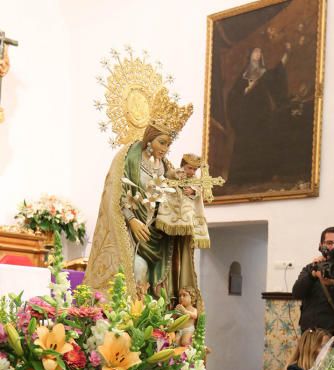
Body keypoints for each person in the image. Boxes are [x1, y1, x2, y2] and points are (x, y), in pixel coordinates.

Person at [84, 121, 200, 303]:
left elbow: (167, 194)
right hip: (131, 229)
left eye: (169, 144)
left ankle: (146, 320)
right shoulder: (129, 157)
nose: (165, 148)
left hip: (155, 233)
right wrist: (131, 220)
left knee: (153, 282)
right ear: (149, 138)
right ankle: (128, 317)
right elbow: (118, 193)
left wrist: (180, 186)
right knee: (138, 267)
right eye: (162, 142)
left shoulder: (164, 165)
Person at [226, 45, 291, 187]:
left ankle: (263, 175)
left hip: (261, 113)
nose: (257, 53)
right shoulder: (244, 75)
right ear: (250, 54)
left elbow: (277, 74)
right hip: (247, 116)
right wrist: (246, 90)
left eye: (260, 51)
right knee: (245, 143)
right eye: (255, 51)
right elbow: (233, 96)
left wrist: (286, 54)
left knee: (263, 140)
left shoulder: (264, 72)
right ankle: (242, 178)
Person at [292, 226, 334, 334]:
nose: (333, 247)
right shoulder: (310, 268)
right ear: (321, 245)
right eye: (329, 243)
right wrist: (312, 274)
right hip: (310, 333)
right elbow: (296, 293)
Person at [155, 153, 210, 249]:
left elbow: (198, 189)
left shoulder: (194, 179)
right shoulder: (177, 173)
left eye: (195, 169)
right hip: (174, 209)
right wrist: (177, 175)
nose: (192, 172)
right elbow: (169, 175)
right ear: (183, 165)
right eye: (190, 168)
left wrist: (193, 191)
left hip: (187, 211)